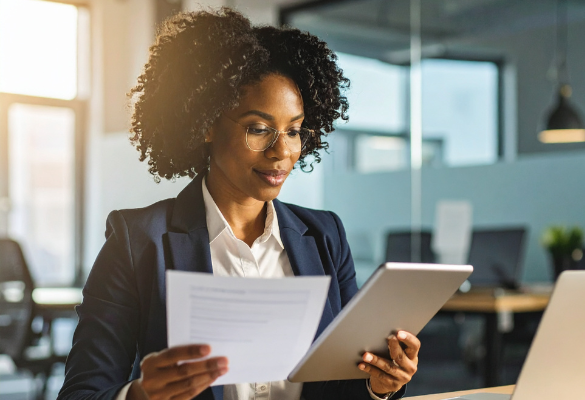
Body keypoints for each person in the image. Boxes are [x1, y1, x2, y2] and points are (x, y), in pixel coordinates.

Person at [57, 8, 420, 400]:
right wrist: (142, 395)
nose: (282, 151)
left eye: (294, 131)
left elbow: (344, 384)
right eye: (259, 129)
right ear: (207, 123)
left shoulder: (324, 236)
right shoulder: (137, 241)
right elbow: (81, 393)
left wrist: (379, 384)